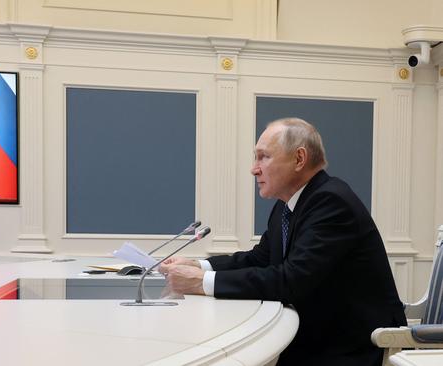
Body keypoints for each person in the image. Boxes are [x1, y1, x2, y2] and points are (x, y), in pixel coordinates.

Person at [160, 118, 406, 366]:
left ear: (299, 159)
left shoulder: (331, 201)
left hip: (352, 346)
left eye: (263, 157)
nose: (254, 169)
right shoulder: (287, 205)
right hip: (316, 336)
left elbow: (292, 281)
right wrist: (199, 266)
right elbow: (260, 258)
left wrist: (201, 283)